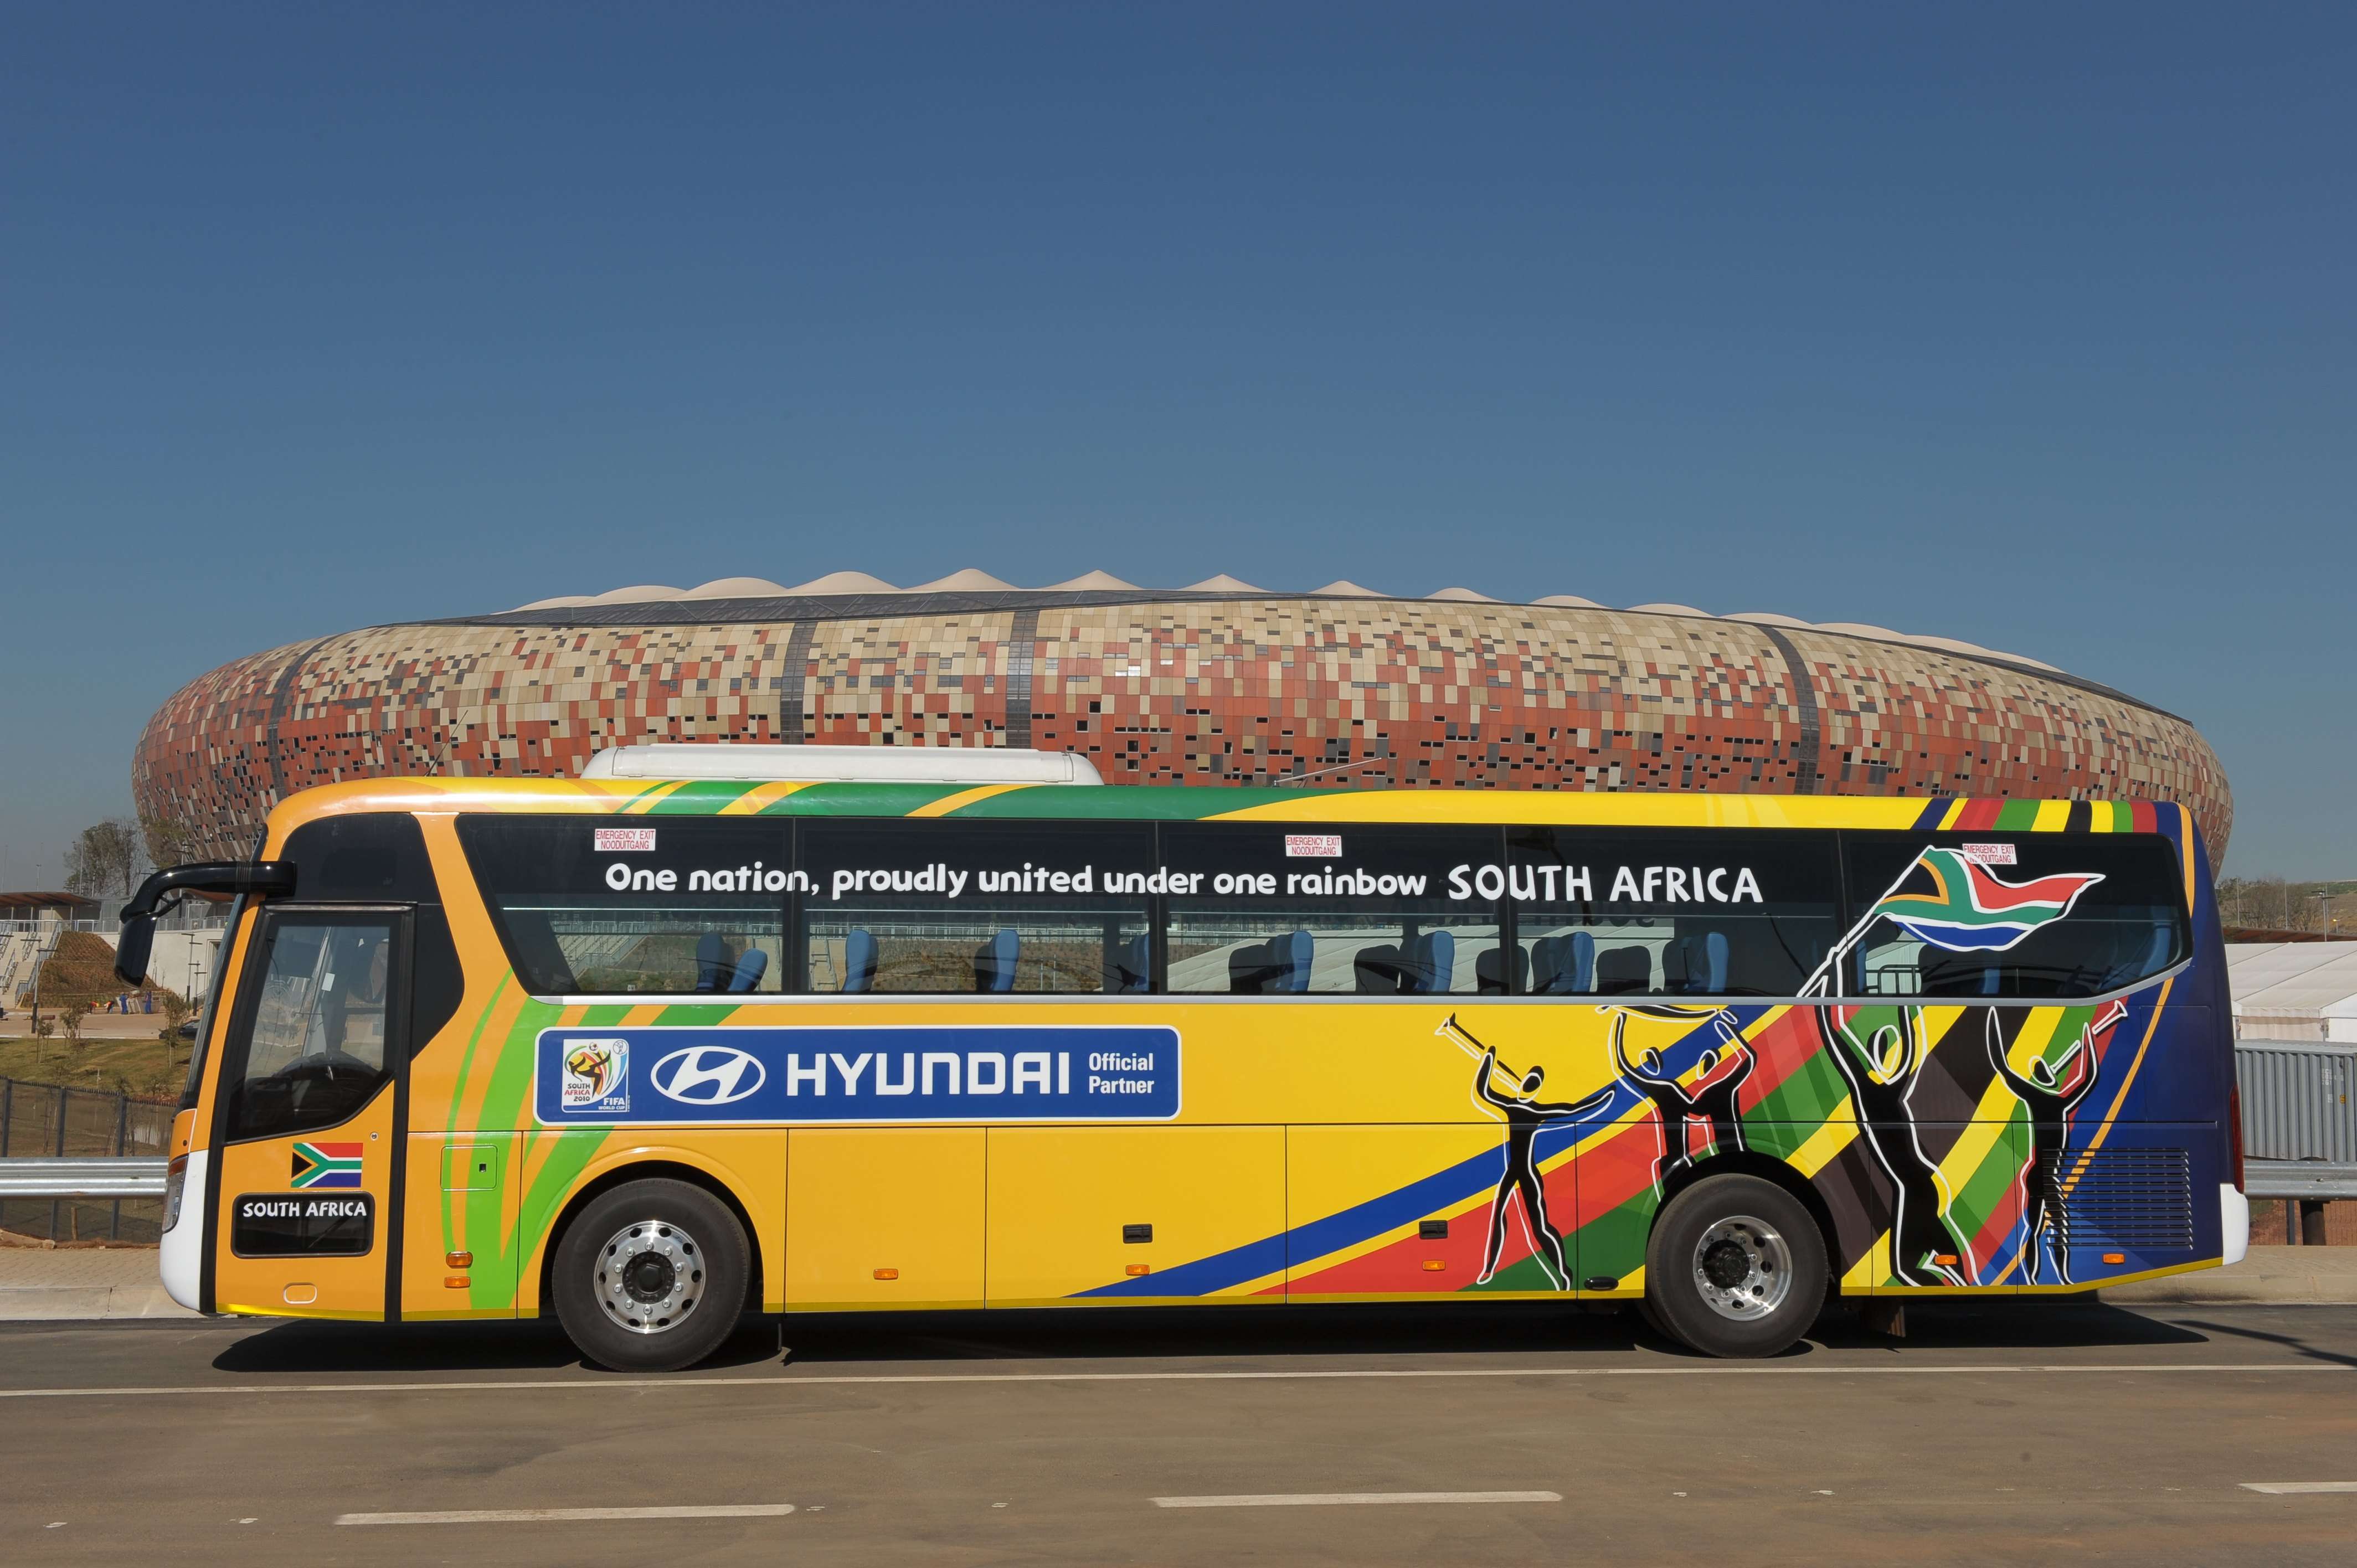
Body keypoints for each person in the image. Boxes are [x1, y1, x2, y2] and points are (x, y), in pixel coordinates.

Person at [1441, 1015, 1615, 1291]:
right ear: (1523, 1083)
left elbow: (1571, 1109)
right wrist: (1487, 1061)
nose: (1529, 1086)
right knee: (1499, 1214)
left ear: (1535, 1088)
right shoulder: (1512, 1105)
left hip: (1528, 1173)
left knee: (1540, 1227)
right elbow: (1484, 1092)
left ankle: (1565, 1271)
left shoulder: (1536, 1111)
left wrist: (1603, 1099)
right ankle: (1488, 1268)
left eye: (1534, 1084)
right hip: (1512, 1170)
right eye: (1529, 1081)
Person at [1816, 1003, 1977, 1288]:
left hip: (1911, 1190)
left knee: (1905, 1270)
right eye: (1882, 1050)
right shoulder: (1883, 1090)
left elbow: (1838, 1044)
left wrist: (1821, 1008)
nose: (1884, 1057)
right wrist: (1905, 1007)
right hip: (1923, 1187)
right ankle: (1958, 1283)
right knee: (1945, 1260)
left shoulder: (1865, 1091)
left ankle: (1952, 1286)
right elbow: (1908, 1049)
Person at [1987, 1002, 2119, 1285]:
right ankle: (2046, 1277)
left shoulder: (2054, 1102)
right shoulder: (2053, 1102)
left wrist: (2088, 1039)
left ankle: (2048, 1277)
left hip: (2046, 1173)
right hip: (2045, 1173)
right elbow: (2003, 1067)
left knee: (2044, 1229)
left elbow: (2088, 1078)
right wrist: (2089, 1041)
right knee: (2048, 1228)